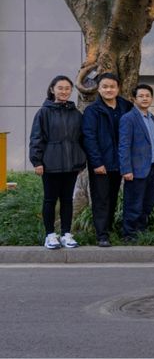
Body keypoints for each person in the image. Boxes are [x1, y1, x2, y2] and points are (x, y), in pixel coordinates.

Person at [29, 75, 86, 249]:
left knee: (67, 200)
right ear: (52, 89)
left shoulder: (76, 113)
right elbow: (36, 138)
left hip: (71, 165)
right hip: (50, 164)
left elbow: (82, 139)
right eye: (60, 88)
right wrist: (37, 161)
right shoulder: (44, 112)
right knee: (50, 200)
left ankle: (66, 234)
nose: (64, 91)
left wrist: (80, 161)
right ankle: (50, 235)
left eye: (67, 88)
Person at [82, 72, 132, 248]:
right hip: (101, 164)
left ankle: (109, 229)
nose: (109, 90)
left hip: (120, 162)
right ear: (99, 89)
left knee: (112, 197)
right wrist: (96, 162)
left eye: (112, 86)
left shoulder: (126, 106)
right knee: (101, 199)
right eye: (105, 86)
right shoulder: (92, 110)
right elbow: (89, 138)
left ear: (118, 88)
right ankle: (101, 235)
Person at [118, 84, 154, 242]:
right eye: (141, 96)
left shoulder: (152, 117)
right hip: (135, 170)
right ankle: (129, 234)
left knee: (147, 204)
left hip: (152, 168)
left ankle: (141, 232)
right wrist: (126, 169)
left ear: (152, 98)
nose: (145, 98)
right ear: (134, 99)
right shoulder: (128, 118)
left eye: (147, 96)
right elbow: (124, 145)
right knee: (133, 204)